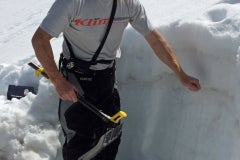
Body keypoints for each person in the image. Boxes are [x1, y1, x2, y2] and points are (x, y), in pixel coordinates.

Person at [31, 0, 201, 159]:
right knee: (80, 143)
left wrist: (181, 74)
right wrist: (58, 81)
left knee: (109, 140)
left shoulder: (128, 4)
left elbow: (155, 40)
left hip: (107, 79)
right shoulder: (73, 3)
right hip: (76, 81)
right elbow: (39, 40)